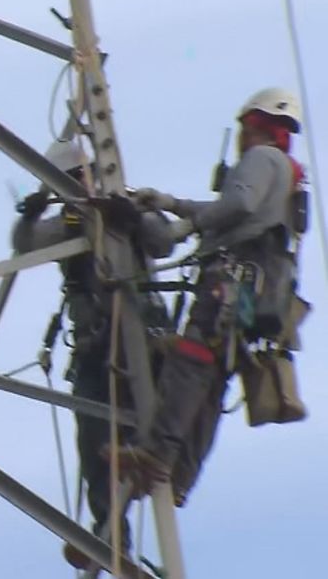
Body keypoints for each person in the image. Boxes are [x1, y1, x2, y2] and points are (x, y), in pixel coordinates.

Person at [117, 87, 306, 498]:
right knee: (212, 379)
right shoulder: (285, 174)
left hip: (229, 283)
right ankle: (180, 476)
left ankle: (156, 454)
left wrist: (185, 227)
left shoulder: (260, 158)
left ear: (252, 124)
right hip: (256, 294)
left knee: (191, 361)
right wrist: (171, 203)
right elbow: (234, 209)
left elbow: (238, 203)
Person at [13, 140, 176, 572]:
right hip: (95, 348)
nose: (73, 187)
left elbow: (164, 241)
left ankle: (143, 491)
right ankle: (110, 529)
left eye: (75, 177)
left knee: (142, 431)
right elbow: (26, 244)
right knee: (93, 442)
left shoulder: (128, 204)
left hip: (141, 339)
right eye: (63, 182)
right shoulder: (68, 223)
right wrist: (30, 215)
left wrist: (133, 216)